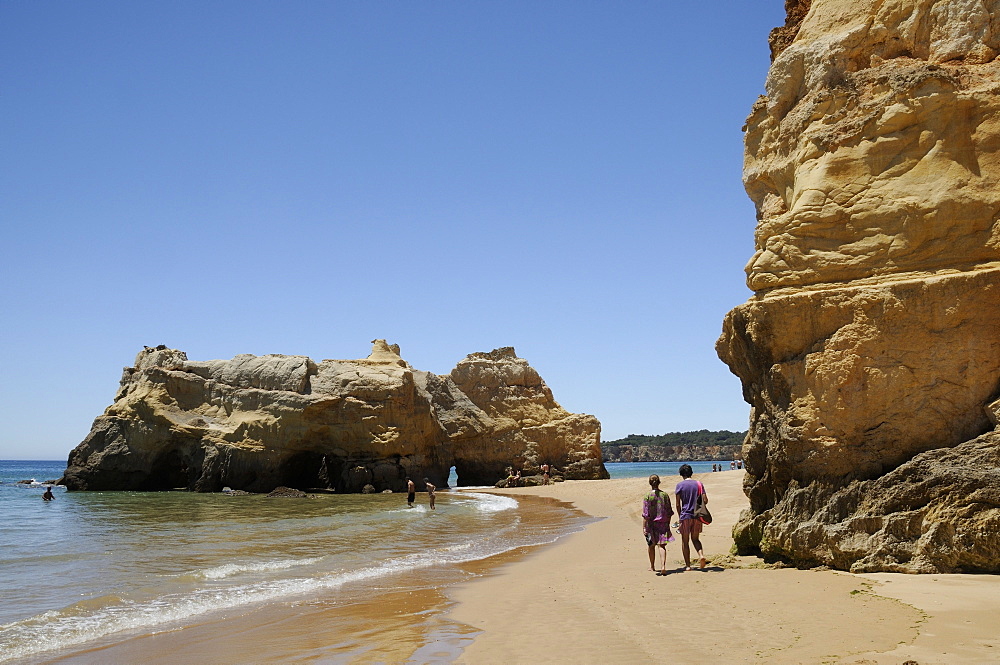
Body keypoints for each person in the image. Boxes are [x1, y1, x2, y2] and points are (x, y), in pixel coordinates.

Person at [675, 464, 707, 570]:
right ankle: (701, 556)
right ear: (691, 473)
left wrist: (680, 517)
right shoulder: (699, 484)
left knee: (685, 541)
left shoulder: (680, 485)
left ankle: (688, 566)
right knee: (696, 539)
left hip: (685, 515)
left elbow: (678, 504)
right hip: (697, 516)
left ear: (681, 474)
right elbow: (705, 500)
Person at [642, 474, 674, 575]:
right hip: (663, 524)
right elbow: (669, 511)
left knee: (651, 546)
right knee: (662, 546)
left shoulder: (647, 496)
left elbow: (646, 514)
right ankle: (663, 566)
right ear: (659, 482)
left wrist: (644, 527)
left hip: (651, 524)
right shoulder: (664, 495)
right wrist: (668, 522)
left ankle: (652, 566)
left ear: (650, 483)